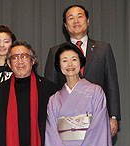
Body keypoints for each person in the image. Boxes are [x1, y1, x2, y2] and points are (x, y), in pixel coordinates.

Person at [44, 4, 120, 137]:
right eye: (71, 18)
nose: (76, 21)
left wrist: (113, 116)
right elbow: (50, 87)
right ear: (65, 25)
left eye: (80, 16)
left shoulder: (103, 49)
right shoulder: (55, 52)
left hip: (98, 116)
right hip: (66, 120)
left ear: (88, 21)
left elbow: (111, 83)